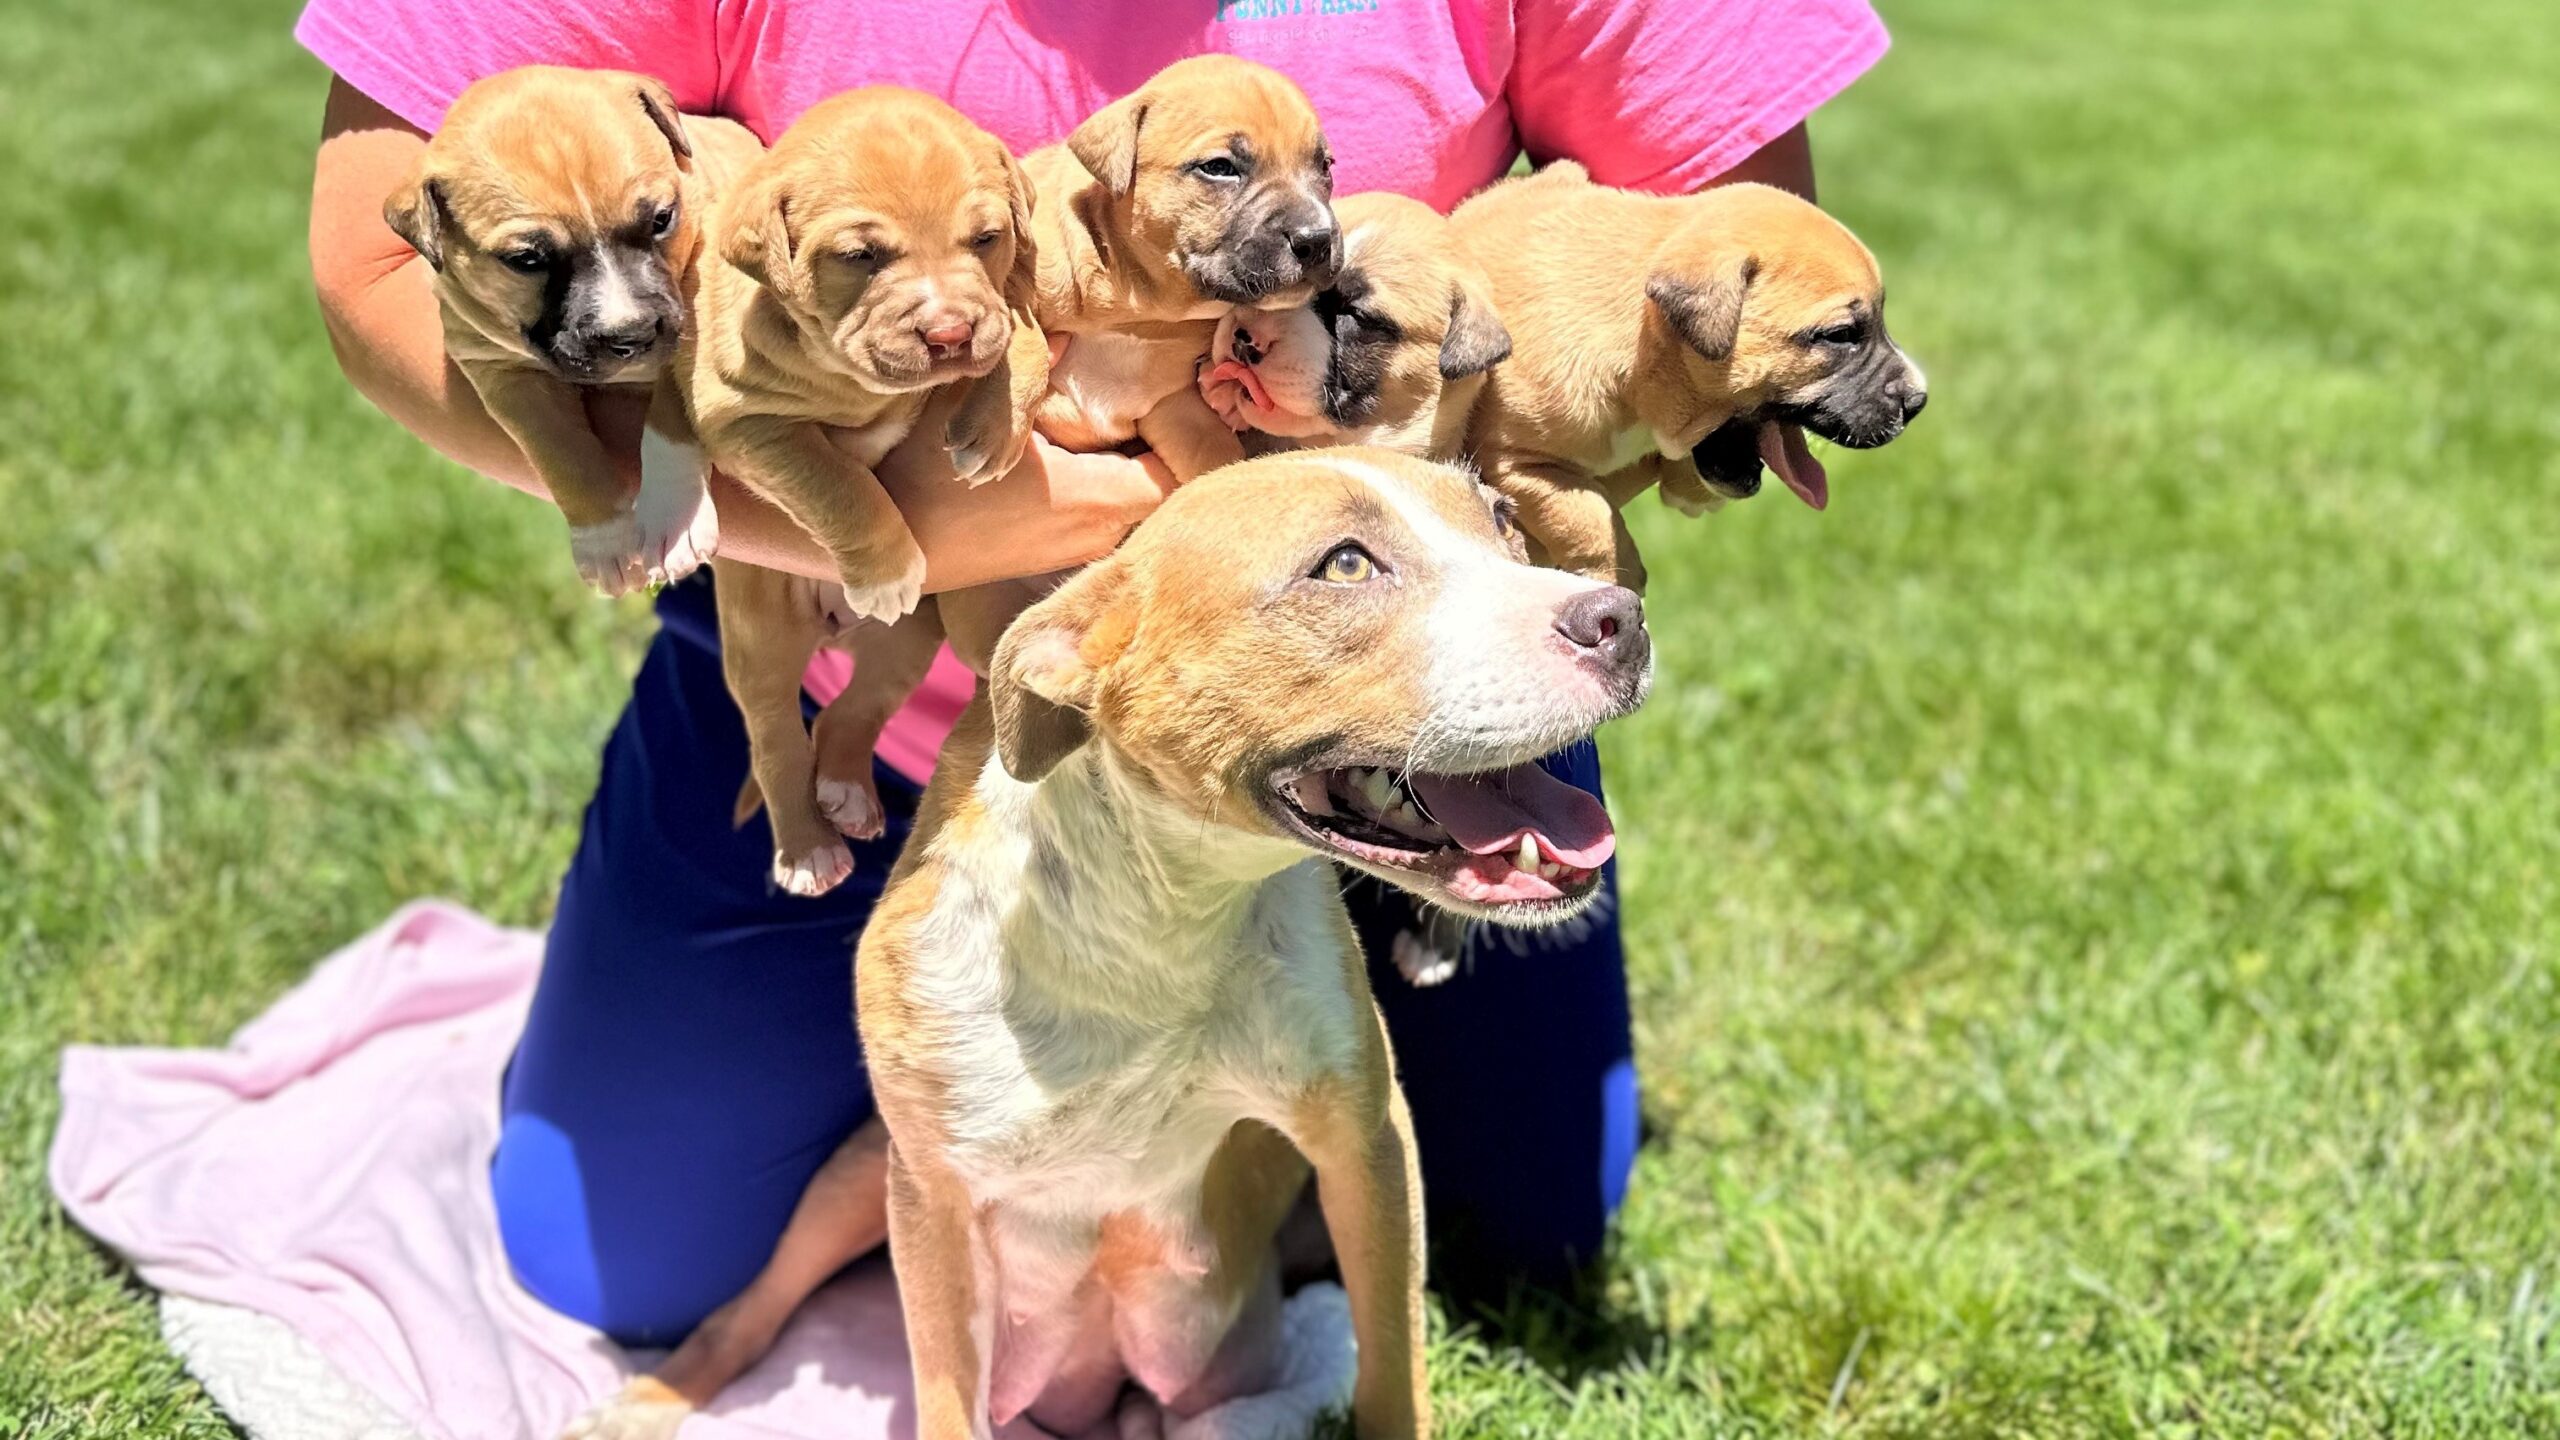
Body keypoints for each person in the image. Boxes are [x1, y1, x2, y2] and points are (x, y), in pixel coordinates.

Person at [304, 0, 1889, 1347]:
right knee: (624, 1256)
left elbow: (1741, 287)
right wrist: (947, 526)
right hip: (869, 678)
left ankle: (1160, 1129)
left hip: (1388, 714)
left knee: (1530, 1233)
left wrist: (1287, 531)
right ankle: (989, 1096)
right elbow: (380, 269)